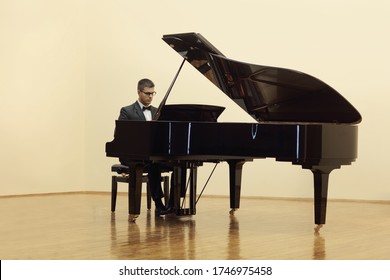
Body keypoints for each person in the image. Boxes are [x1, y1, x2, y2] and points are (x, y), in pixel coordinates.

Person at [118, 78, 172, 215]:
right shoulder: (127, 111)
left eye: (153, 93)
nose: (150, 96)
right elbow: (120, 136)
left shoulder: (157, 112)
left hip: (152, 155)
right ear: (139, 92)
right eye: (147, 93)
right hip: (133, 155)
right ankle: (159, 204)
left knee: (179, 164)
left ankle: (174, 204)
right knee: (154, 165)